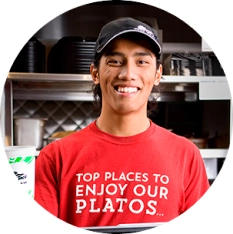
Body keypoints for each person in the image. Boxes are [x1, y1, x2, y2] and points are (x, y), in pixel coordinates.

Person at [34, 17, 210, 228]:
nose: (128, 74)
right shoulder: (55, 158)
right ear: (95, 73)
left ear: (157, 74)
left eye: (142, 62)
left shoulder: (186, 155)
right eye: (115, 61)